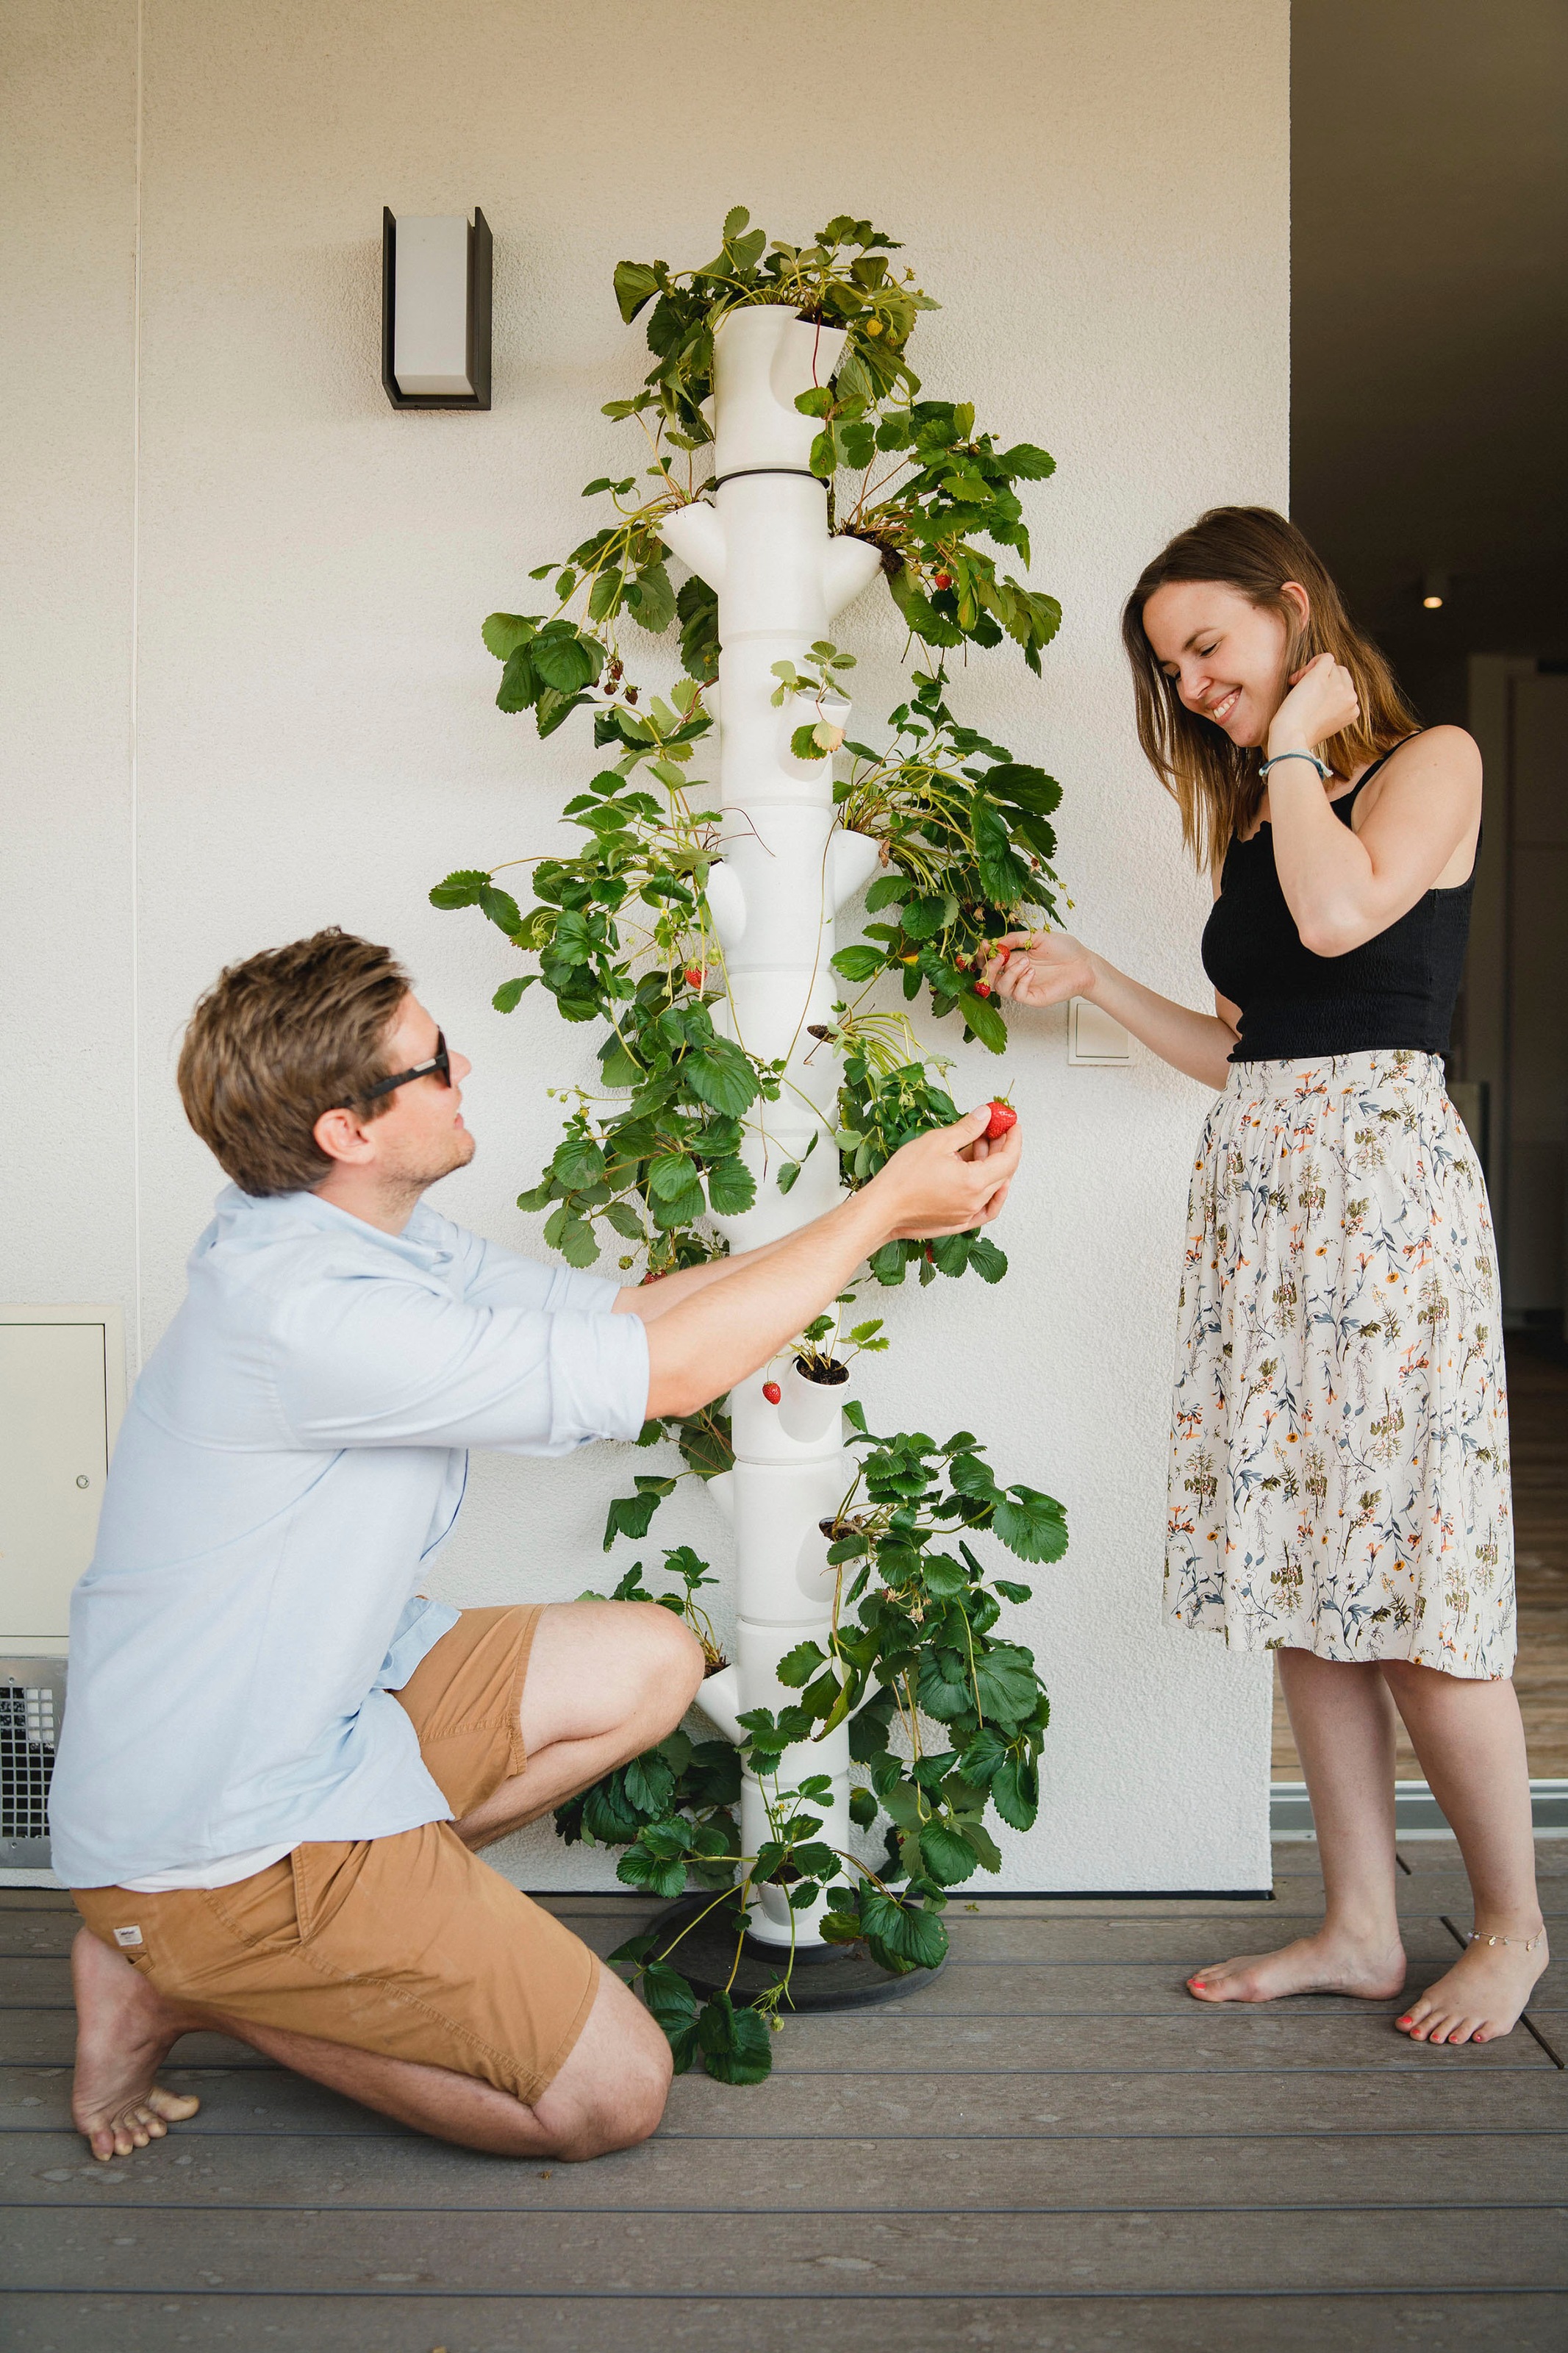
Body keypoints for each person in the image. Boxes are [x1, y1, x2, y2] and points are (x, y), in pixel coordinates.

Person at [53, 928, 1020, 2163]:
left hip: (320, 1728)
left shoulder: (358, 1233)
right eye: (435, 1064)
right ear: (346, 1133)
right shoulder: (306, 1315)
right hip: (217, 1829)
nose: (467, 1071)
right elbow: (666, 1376)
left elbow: (621, 1319)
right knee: (609, 2099)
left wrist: (872, 1224)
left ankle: (328, 1932)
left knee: (652, 1661)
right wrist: (884, 1206)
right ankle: (185, 1977)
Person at [986, 506, 1545, 2046]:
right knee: (1307, 1584)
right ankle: (1360, 1926)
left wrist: (1296, 744)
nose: (1190, 689)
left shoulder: (1428, 762)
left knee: (1416, 1593)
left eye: (1207, 648)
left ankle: (1508, 1925)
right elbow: (1246, 1046)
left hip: (1379, 1196)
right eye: (1170, 670)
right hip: (1264, 1192)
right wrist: (1096, 979)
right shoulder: (1257, 814)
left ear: (1290, 610)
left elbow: (1344, 911)